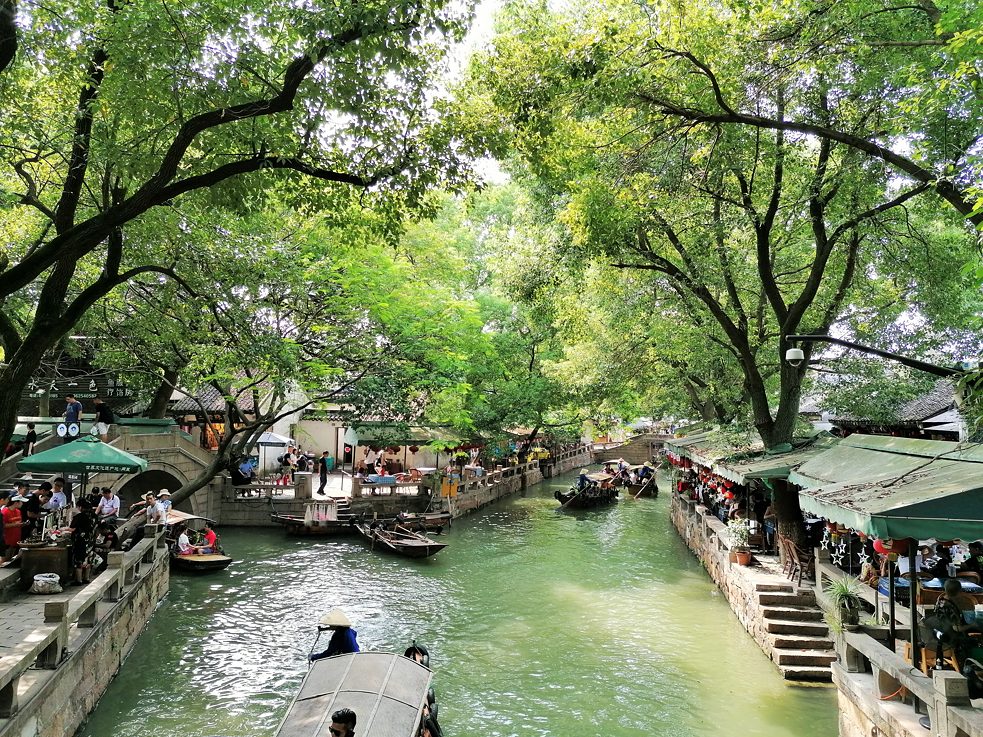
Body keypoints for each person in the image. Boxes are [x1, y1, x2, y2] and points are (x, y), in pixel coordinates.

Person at [68, 499, 96, 585]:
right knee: (88, 559)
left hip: (81, 541)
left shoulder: (79, 517)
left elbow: (72, 528)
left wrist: (62, 529)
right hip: (91, 540)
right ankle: (86, 578)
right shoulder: (94, 516)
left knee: (79, 560)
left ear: (80, 507)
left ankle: (78, 580)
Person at [0, 495, 27, 566]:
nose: (22, 504)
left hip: (15, 539)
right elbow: (3, 525)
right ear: (16, 503)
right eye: (21, 502)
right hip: (7, 540)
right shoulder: (5, 512)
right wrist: (16, 525)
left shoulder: (18, 511)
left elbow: (18, 523)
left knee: (10, 560)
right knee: (4, 560)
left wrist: (22, 524)